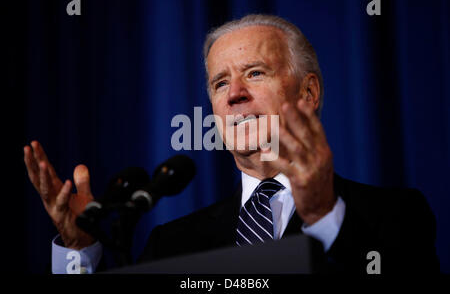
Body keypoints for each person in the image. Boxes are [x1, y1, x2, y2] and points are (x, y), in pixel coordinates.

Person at [24, 14, 439, 274]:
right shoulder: (170, 246)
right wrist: (79, 253)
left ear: (308, 93)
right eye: (220, 82)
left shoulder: (396, 216)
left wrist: (324, 217)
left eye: (255, 73)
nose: (234, 93)